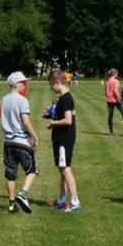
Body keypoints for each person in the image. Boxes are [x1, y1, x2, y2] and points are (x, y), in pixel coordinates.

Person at [1, 72, 39, 213]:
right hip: (21, 141)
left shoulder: (4, 100)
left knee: (10, 174)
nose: (25, 85)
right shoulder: (22, 100)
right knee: (32, 170)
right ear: (15, 84)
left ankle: (11, 204)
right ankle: (23, 194)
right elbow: (25, 121)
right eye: (23, 82)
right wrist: (35, 137)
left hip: (7, 142)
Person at [46, 70, 82, 212]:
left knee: (65, 169)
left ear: (57, 83)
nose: (51, 88)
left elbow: (68, 120)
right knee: (63, 168)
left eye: (51, 85)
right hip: (62, 138)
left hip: (63, 139)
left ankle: (74, 202)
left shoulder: (65, 99)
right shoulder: (64, 97)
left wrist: (52, 123)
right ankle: (61, 198)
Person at [104, 69, 122, 135]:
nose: (117, 75)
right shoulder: (116, 81)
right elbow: (115, 91)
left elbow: (105, 92)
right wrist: (120, 97)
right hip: (115, 100)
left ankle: (111, 131)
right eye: (117, 74)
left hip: (109, 100)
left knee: (110, 116)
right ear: (114, 74)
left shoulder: (107, 81)